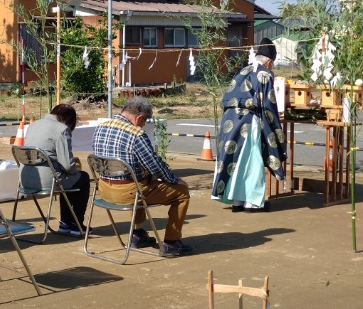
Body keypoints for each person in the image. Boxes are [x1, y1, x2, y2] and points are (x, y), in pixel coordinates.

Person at [92, 97, 193, 256]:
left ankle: (138, 233)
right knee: (182, 193)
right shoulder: (136, 134)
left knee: (139, 182)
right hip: (129, 193)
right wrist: (175, 180)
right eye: (145, 121)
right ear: (139, 117)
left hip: (104, 189)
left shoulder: (101, 127)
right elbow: (155, 166)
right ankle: (172, 242)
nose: (144, 125)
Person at [211, 37, 287, 212]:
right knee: (252, 160)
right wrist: (275, 124)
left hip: (229, 121)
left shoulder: (242, 71)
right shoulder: (265, 74)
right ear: (269, 62)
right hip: (248, 121)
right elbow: (268, 104)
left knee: (235, 161)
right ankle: (252, 202)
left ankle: (237, 202)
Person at [22, 104, 91, 237]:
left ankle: (65, 223)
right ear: (68, 119)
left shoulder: (33, 125)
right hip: (47, 179)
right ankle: (77, 224)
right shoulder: (61, 129)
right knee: (82, 178)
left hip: (25, 179)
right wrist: (75, 170)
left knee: (69, 180)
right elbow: (67, 165)